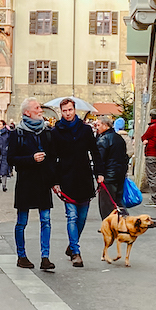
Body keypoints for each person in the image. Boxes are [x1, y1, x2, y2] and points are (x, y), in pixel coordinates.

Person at [48, 98, 102, 268]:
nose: (68, 113)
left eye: (70, 110)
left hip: (84, 176)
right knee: (71, 216)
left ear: (74, 110)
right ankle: (76, 252)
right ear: (61, 112)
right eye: (64, 111)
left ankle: (72, 245)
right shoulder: (56, 131)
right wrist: (54, 181)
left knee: (82, 217)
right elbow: (52, 157)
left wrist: (99, 173)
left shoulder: (85, 130)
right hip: (66, 177)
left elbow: (94, 152)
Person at [8, 98, 55, 271]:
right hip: (26, 182)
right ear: (27, 112)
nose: (40, 110)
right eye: (36, 108)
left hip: (43, 182)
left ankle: (45, 257)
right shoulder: (17, 133)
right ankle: (21, 256)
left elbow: (53, 158)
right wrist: (30, 159)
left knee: (46, 220)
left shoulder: (47, 132)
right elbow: (11, 159)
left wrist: (54, 180)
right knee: (22, 221)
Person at [94, 115, 129, 220]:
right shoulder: (118, 138)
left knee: (106, 205)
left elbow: (99, 159)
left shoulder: (104, 139)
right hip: (119, 174)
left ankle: (109, 225)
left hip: (108, 176)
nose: (97, 127)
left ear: (105, 125)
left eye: (98, 124)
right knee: (118, 201)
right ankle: (123, 222)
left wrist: (98, 173)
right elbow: (125, 157)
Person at [0, 119, 11, 191]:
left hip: (4, 153)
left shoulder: (7, 133)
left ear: (4, 126)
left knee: (4, 171)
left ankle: (4, 186)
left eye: (0, 124)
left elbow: (9, 142)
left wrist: (7, 149)